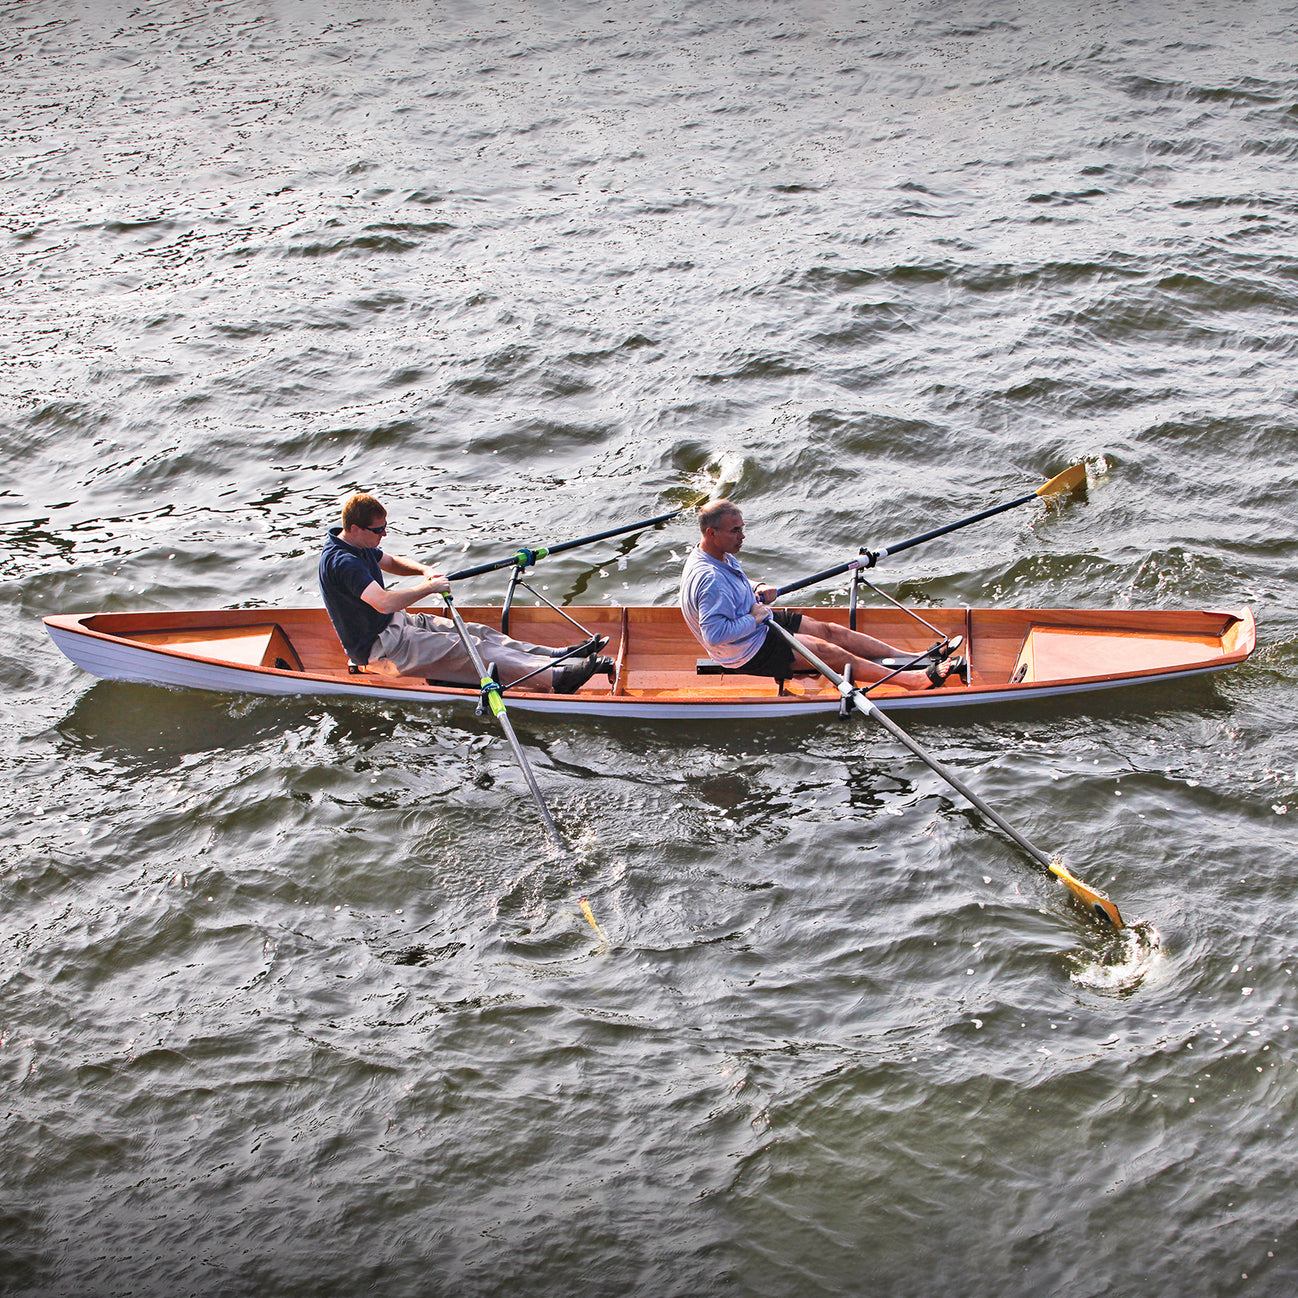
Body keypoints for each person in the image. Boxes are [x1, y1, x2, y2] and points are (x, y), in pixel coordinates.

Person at [319, 493, 612, 693]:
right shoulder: (343, 562)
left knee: (479, 633)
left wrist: (424, 571)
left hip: (399, 625)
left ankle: (558, 656)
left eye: (385, 528)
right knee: (473, 649)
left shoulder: (358, 543)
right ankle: (557, 679)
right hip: (381, 649)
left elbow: (390, 561)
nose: (384, 535)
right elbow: (383, 603)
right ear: (355, 528)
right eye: (379, 530)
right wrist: (430, 588)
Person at [680, 499, 965, 690]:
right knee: (829, 653)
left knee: (829, 631)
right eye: (735, 531)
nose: (742, 536)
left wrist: (754, 587)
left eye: (742, 529)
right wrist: (755, 618)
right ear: (711, 532)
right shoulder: (710, 580)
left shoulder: (714, 553)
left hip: (755, 619)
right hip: (745, 648)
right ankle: (912, 680)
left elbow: (733, 582)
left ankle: (911, 656)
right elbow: (715, 635)